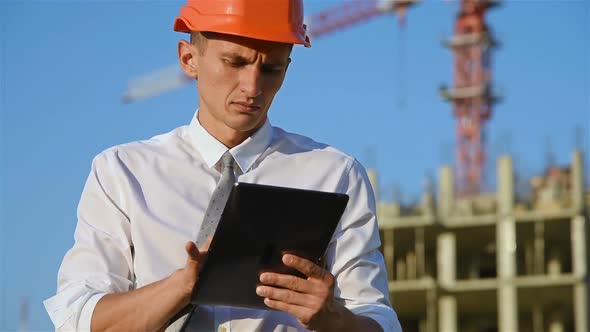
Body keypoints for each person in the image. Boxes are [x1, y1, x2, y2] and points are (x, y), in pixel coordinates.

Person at [44, 1, 401, 331]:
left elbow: (378, 318)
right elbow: (79, 319)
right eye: (235, 62)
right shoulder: (122, 173)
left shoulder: (336, 175)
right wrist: (181, 287)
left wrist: (333, 318)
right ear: (188, 59)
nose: (252, 86)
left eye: (271, 68)